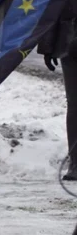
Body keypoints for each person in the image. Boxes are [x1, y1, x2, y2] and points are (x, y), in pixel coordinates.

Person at [39, 17, 77, 180]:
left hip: (68, 42)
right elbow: (53, 5)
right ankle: (75, 164)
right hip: (70, 43)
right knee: (75, 104)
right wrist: (48, 46)